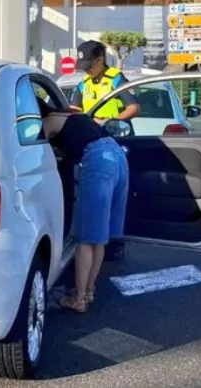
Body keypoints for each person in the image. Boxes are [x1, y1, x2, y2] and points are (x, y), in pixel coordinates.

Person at [39, 104, 128, 313]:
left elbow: (38, 151)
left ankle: (79, 299)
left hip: (98, 160)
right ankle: (88, 291)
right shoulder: (72, 113)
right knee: (98, 236)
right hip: (117, 156)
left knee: (86, 237)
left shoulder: (47, 122)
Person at [66, 40, 139, 262]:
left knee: (115, 195)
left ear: (100, 60)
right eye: (83, 66)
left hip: (116, 140)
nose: (86, 70)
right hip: (91, 144)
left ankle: (115, 241)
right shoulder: (83, 84)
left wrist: (109, 120)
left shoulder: (116, 79)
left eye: (89, 65)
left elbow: (133, 107)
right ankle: (91, 239)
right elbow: (74, 110)